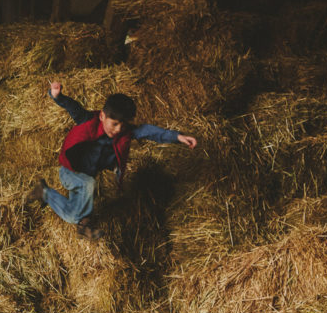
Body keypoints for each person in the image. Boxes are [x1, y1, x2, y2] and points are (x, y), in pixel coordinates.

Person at [29, 80, 199, 239]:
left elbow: (149, 131)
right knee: (89, 184)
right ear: (102, 116)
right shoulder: (88, 120)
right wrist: (57, 95)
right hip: (69, 172)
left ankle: (45, 193)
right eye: (114, 124)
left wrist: (177, 137)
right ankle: (82, 221)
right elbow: (73, 107)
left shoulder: (125, 133)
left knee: (74, 213)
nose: (118, 129)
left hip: (86, 177)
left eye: (123, 125)